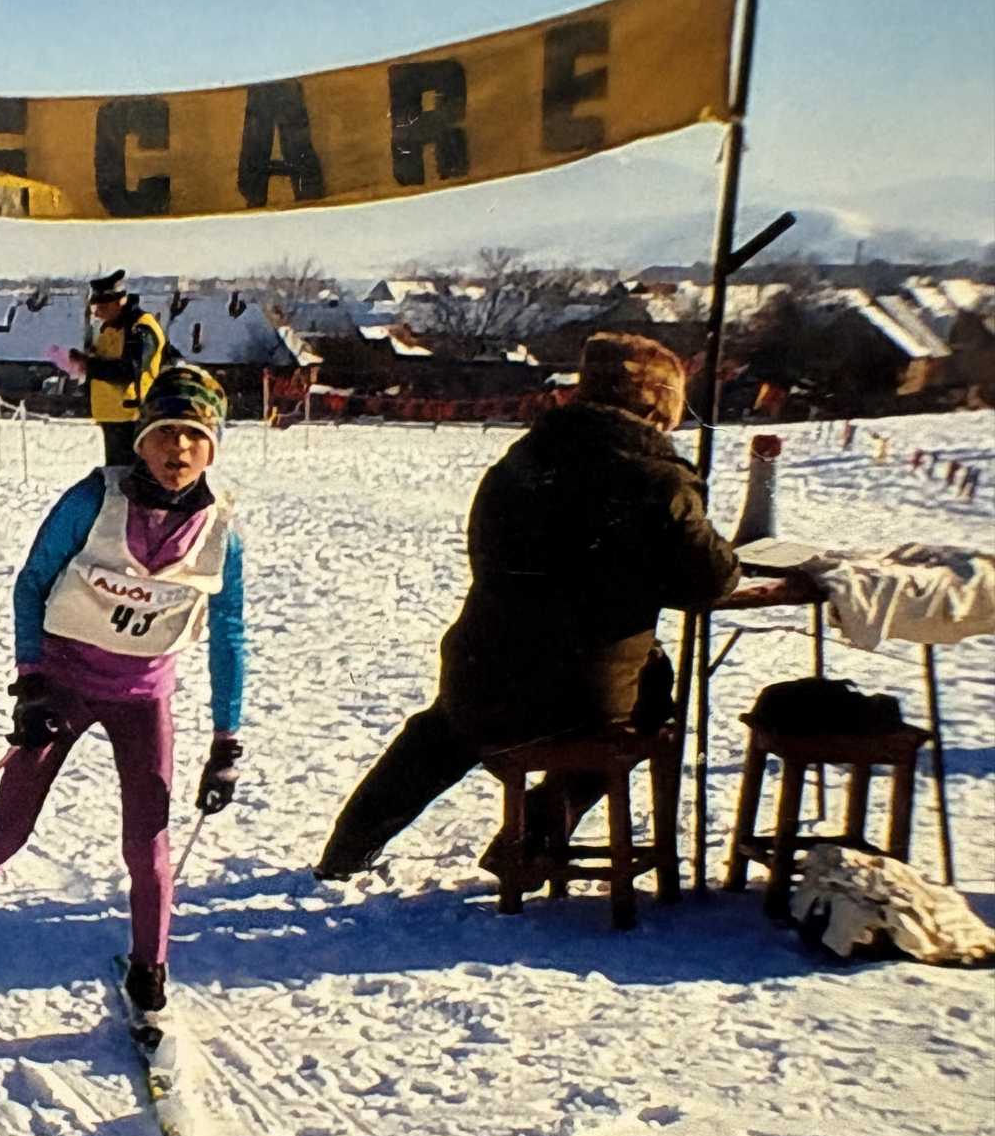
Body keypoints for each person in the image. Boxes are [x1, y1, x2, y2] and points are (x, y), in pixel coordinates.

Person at [314, 333, 740, 882]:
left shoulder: (521, 460)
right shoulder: (659, 480)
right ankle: (535, 832)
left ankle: (347, 849)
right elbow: (711, 581)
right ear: (661, 404)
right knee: (648, 709)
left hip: (482, 676)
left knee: (439, 734)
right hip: (582, 700)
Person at [0, 364, 246, 1037]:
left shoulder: (220, 530)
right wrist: (31, 683)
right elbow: (32, 583)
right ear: (141, 439)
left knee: (147, 845)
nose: (178, 451)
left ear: (212, 447)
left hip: (143, 698)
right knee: (9, 825)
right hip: (63, 683)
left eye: (194, 438)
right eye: (165, 434)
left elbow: (228, 632)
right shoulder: (93, 499)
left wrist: (225, 742)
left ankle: (149, 973)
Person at [68, 269, 167, 467]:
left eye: (101, 306)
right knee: (115, 477)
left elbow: (128, 371)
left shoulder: (139, 328)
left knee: (132, 478)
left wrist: (89, 365)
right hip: (112, 415)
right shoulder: (109, 328)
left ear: (118, 301)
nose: (96, 313)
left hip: (133, 417)